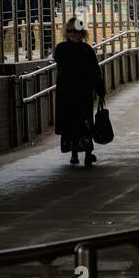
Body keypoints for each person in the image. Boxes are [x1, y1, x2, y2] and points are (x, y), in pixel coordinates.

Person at [54, 17, 106, 167]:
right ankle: (75, 154)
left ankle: (86, 154)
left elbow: (95, 72)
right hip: (68, 94)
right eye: (70, 31)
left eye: (76, 31)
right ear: (66, 33)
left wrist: (100, 89)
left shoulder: (84, 50)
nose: (73, 34)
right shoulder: (64, 49)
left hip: (81, 93)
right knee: (74, 124)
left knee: (84, 123)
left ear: (82, 33)